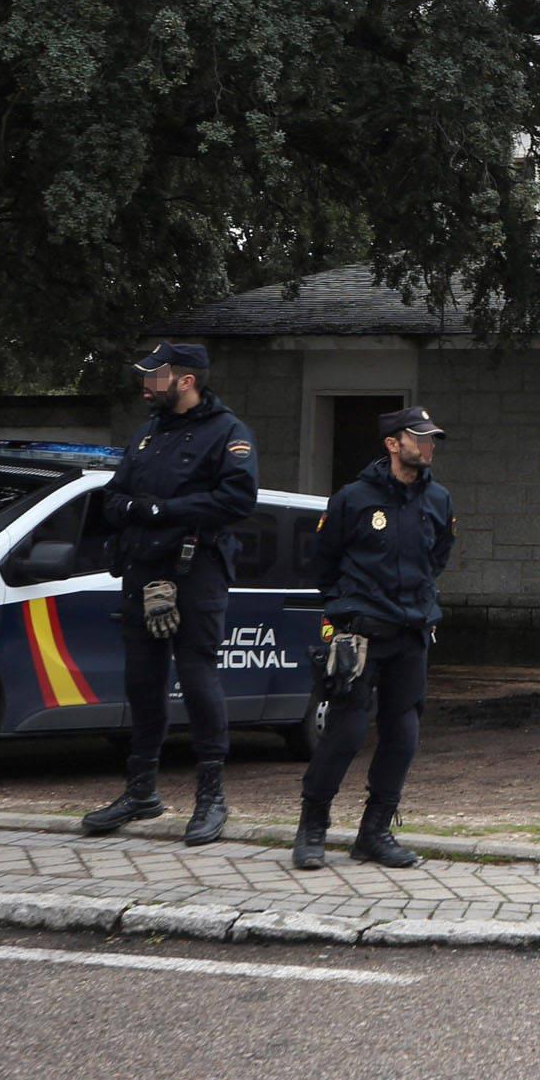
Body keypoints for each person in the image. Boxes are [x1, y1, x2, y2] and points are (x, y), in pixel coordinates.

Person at [80, 343, 258, 845]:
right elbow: (113, 497)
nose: (144, 384)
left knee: (198, 679)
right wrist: (138, 510)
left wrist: (162, 511)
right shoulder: (146, 433)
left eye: (152, 376)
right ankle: (141, 792)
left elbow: (238, 499)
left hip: (194, 567)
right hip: (142, 569)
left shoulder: (229, 433)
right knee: (142, 681)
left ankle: (211, 799)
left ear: (184, 380)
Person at [293, 407, 455, 872]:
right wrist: (345, 612)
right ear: (392, 444)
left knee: (402, 736)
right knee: (344, 732)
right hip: (360, 636)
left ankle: (374, 833)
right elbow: (324, 563)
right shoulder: (353, 498)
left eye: (432, 438)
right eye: (419, 438)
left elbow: (439, 557)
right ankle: (312, 830)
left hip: (412, 633)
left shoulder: (439, 500)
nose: (429, 445)